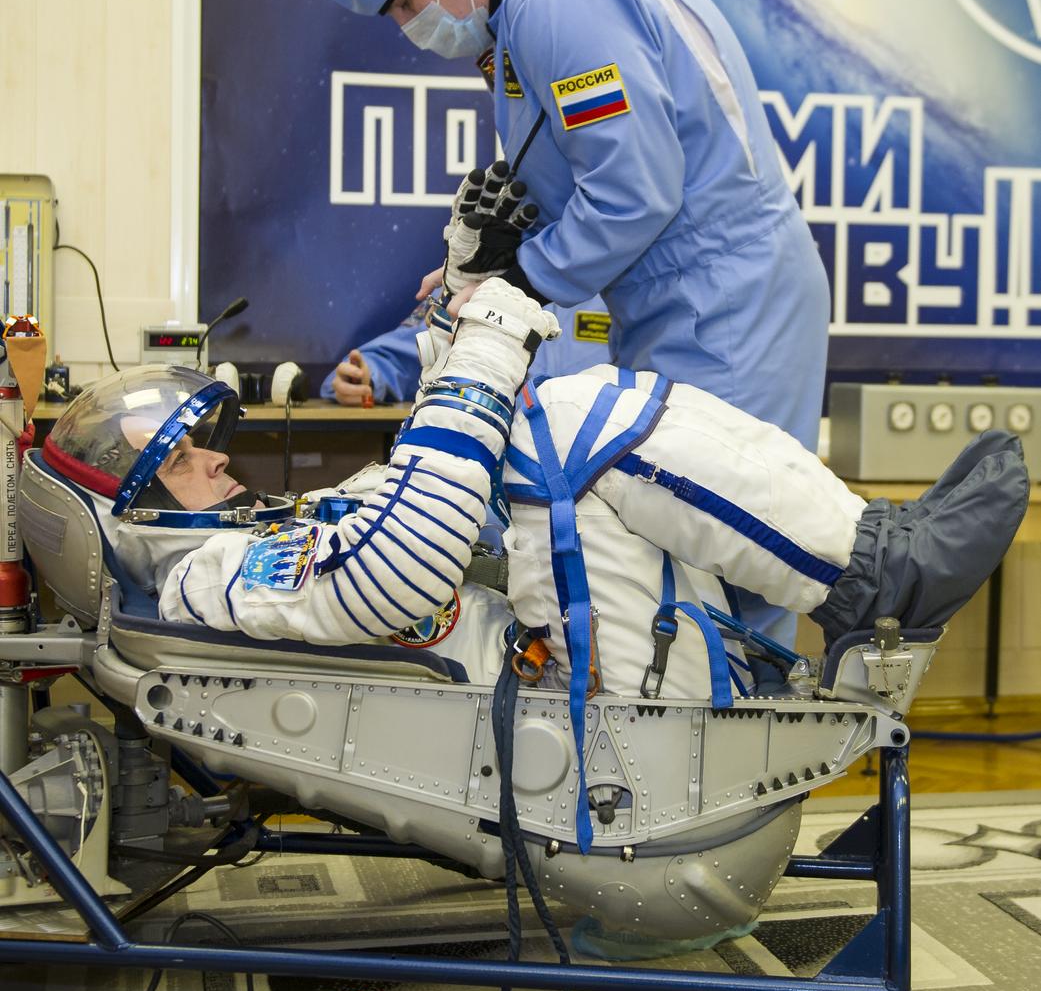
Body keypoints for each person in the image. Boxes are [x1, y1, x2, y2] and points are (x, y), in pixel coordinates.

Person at [38, 281, 1027, 708]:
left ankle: (874, 555)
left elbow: (410, 513)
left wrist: (448, 347)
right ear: (135, 515)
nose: (217, 459)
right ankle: (881, 574)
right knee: (568, 435)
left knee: (575, 416)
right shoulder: (204, 578)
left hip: (558, 698)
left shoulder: (229, 547)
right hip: (586, 758)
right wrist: (482, 355)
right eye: (181, 462)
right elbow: (394, 573)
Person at [319, 0, 831, 454]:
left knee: (728, 540)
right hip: (681, 300)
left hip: (723, 311)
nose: (411, 27)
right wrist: (479, 266)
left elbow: (633, 192)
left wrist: (518, 281)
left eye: (405, 3)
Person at [321, 296, 612, 406]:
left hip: (605, 469)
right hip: (490, 466)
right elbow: (414, 350)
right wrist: (368, 376)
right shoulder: (491, 281)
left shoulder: (629, 291)